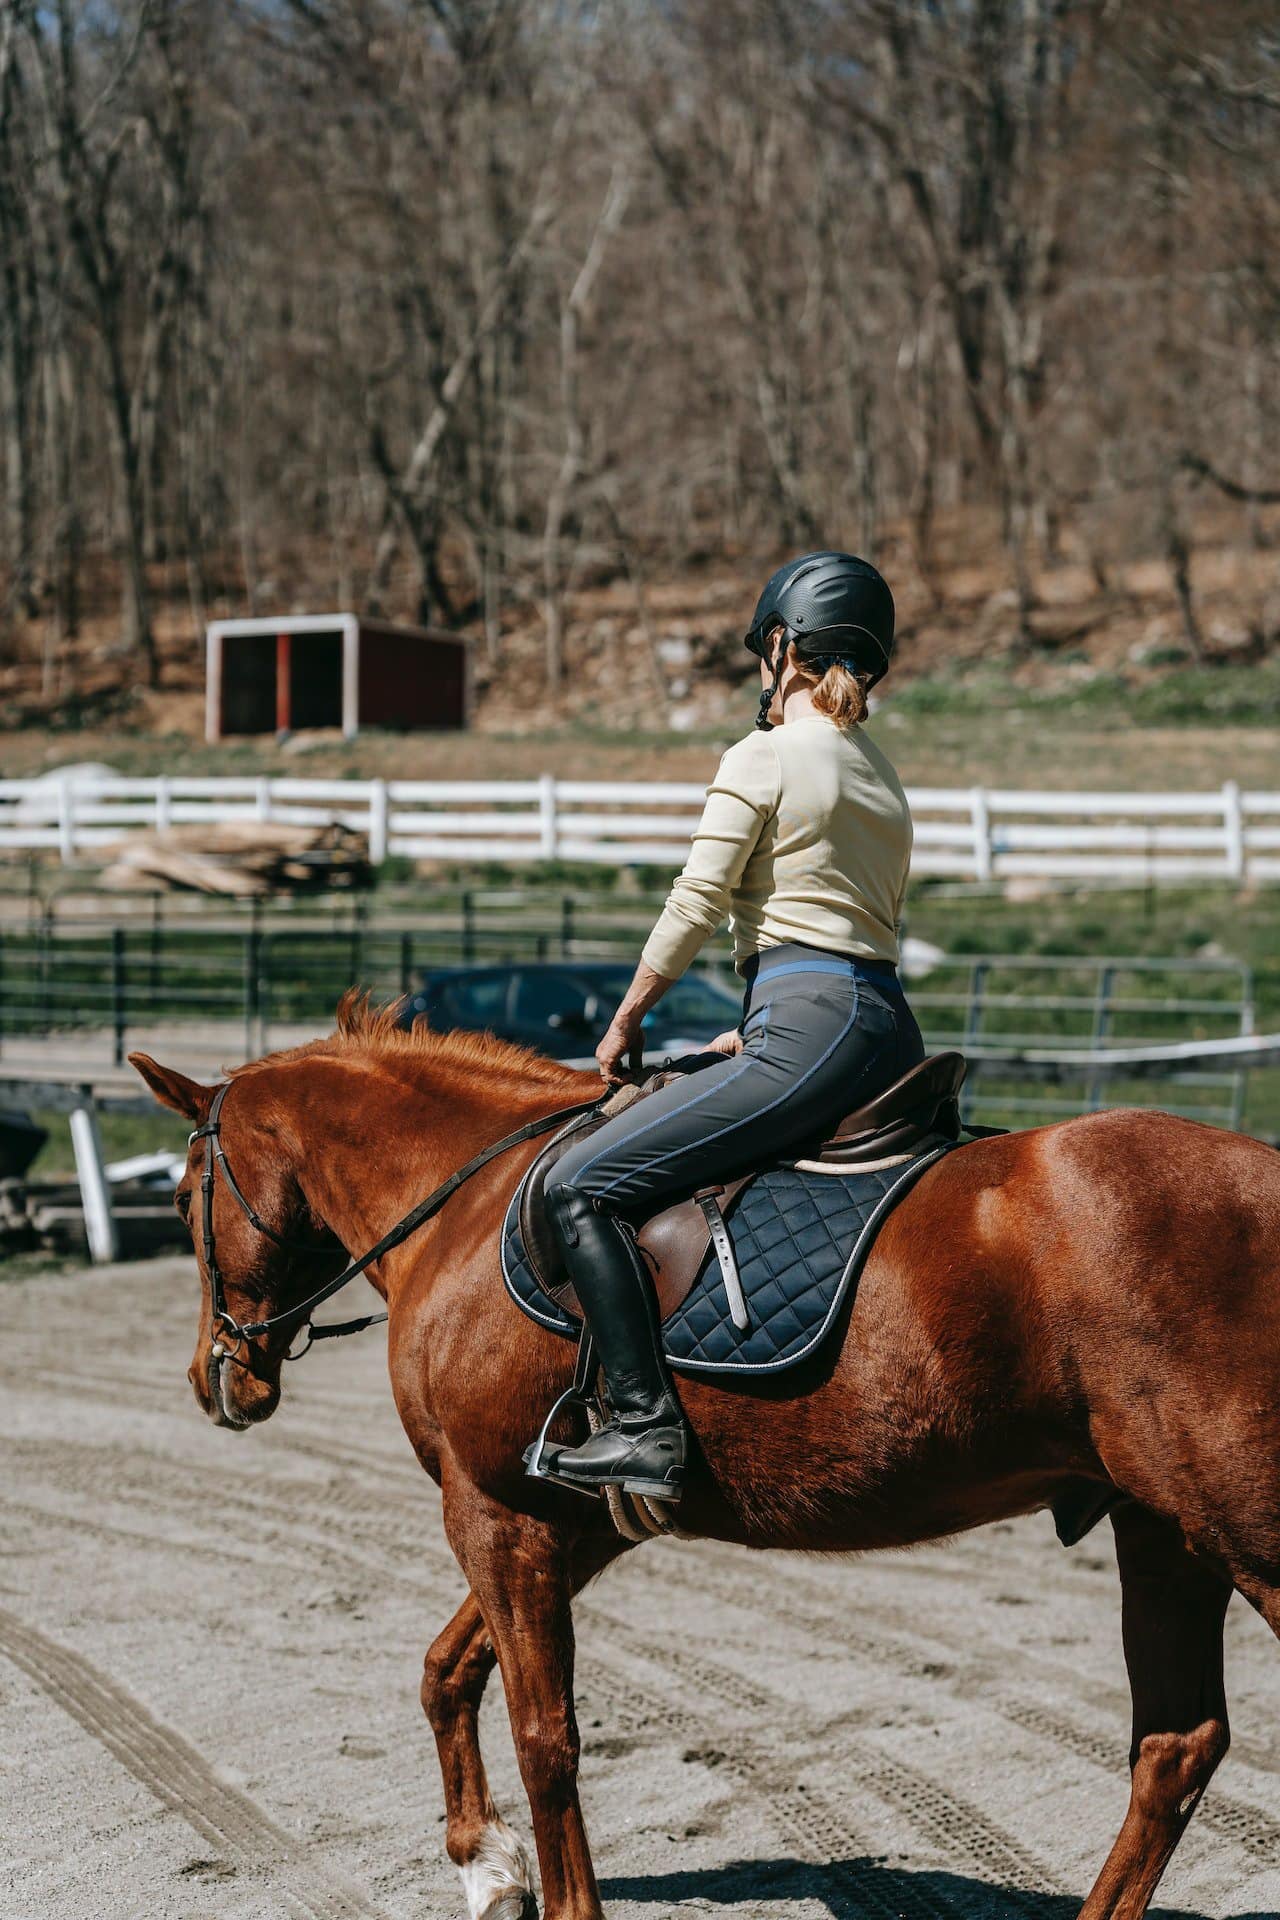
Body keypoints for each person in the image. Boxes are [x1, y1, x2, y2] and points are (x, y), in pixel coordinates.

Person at [533, 551, 925, 1503]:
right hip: (879, 1029)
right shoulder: (880, 774)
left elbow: (697, 901)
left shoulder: (764, 755)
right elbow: (836, 917)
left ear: (783, 647)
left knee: (582, 1186)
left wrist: (628, 1017)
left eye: (766, 648)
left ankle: (642, 1426)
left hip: (811, 1020)